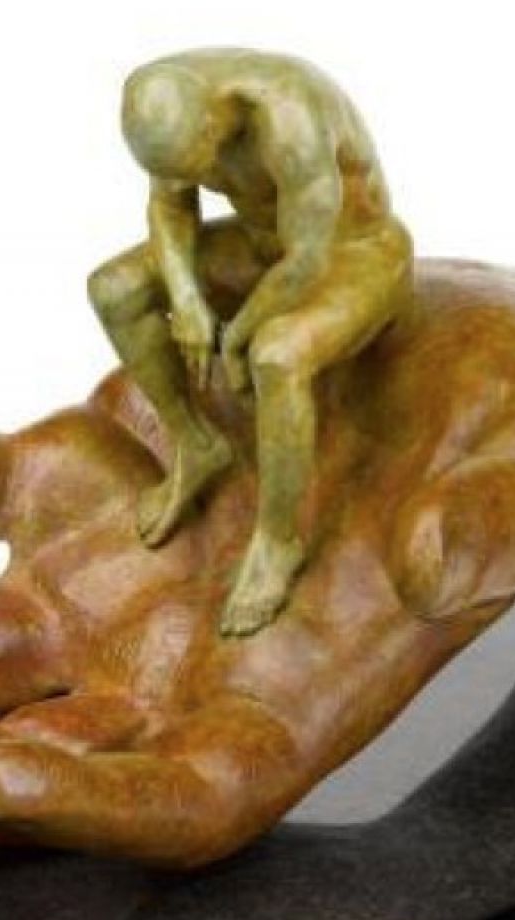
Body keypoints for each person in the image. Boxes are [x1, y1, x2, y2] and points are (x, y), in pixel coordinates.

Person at [87, 49, 414, 635]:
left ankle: (277, 541)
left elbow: (308, 259)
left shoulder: (290, 117)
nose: (194, 177)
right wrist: (187, 300)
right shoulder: (166, 102)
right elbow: (169, 208)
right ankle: (195, 445)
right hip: (261, 245)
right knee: (115, 289)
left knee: (276, 356)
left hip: (352, 253)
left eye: (198, 162)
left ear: (214, 120)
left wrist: (237, 334)